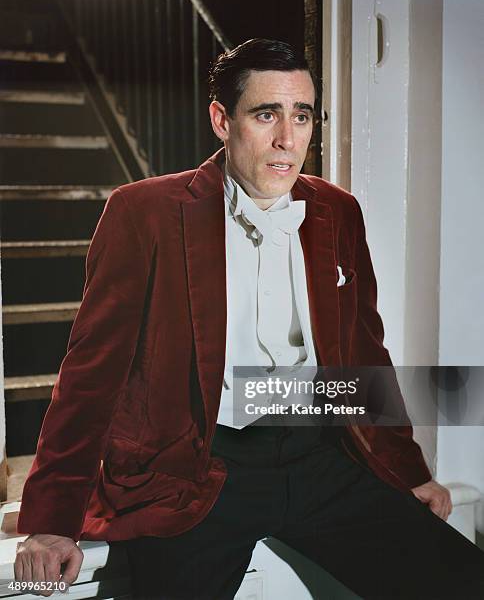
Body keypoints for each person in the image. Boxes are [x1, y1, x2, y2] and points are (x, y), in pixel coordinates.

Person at [14, 39, 483, 599]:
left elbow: (363, 354)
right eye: (266, 114)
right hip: (198, 473)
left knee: (461, 580)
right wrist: (49, 519)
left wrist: (409, 470)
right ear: (222, 119)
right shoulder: (145, 212)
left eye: (302, 116)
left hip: (319, 461)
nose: (288, 139)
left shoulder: (337, 211)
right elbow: (91, 374)